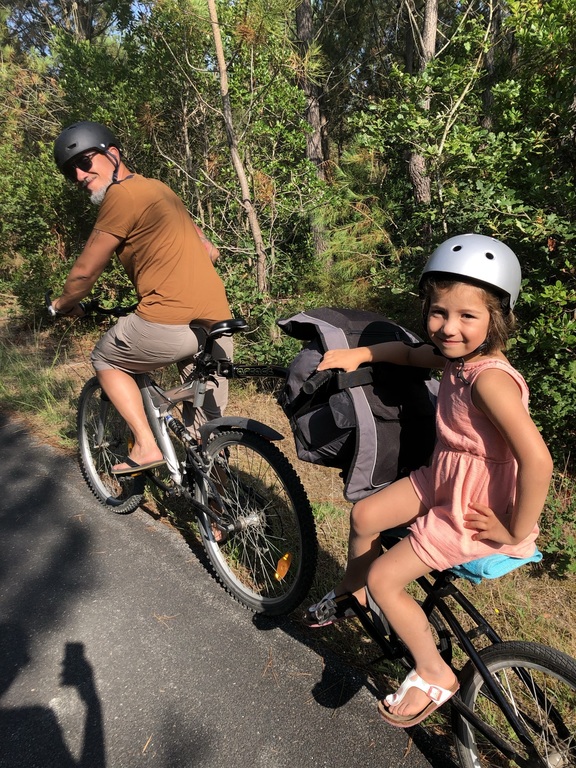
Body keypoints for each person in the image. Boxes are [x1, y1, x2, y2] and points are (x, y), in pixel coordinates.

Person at [306, 234, 553, 728]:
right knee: (366, 514)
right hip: (443, 476)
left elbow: (538, 460)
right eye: (439, 312)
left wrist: (512, 530)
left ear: (497, 318)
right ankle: (352, 591)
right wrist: (363, 356)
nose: (447, 328)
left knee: (387, 578)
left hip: (472, 505)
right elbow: (413, 354)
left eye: (467, 316)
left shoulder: (489, 379)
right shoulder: (457, 360)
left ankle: (434, 671)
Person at [51, 120, 232, 474]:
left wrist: (62, 304)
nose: (79, 175)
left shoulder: (121, 195)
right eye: (72, 172)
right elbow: (210, 251)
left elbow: (86, 272)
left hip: (169, 322)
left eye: (84, 162)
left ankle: (147, 445)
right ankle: (221, 511)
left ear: (112, 154)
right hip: (218, 322)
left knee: (105, 358)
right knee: (206, 429)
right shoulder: (159, 189)